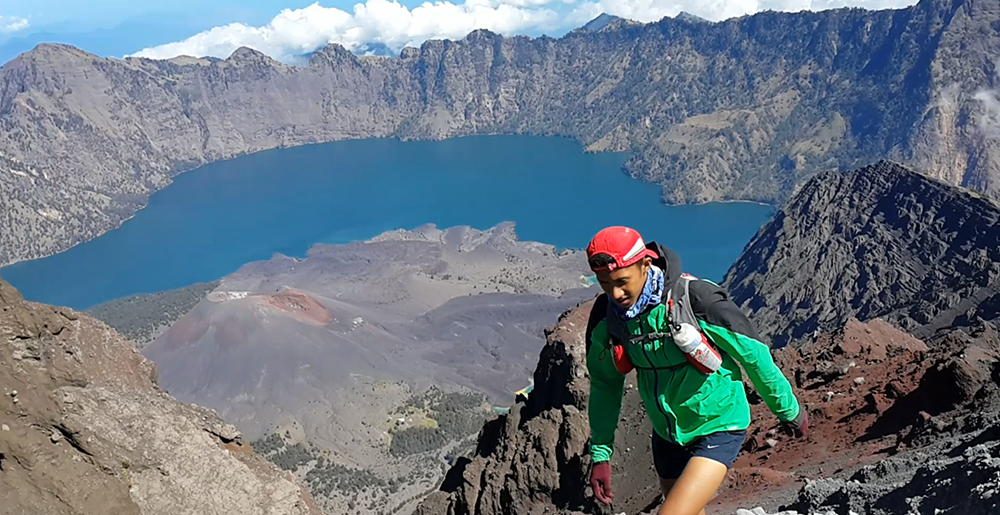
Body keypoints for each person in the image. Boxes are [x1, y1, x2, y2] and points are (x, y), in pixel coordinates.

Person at [583, 226, 807, 515]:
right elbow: (604, 384)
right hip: (667, 435)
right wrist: (601, 455)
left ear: (645, 264)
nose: (615, 293)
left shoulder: (696, 299)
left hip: (718, 424)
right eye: (604, 283)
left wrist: (788, 410)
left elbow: (754, 356)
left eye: (622, 281)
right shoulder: (607, 316)